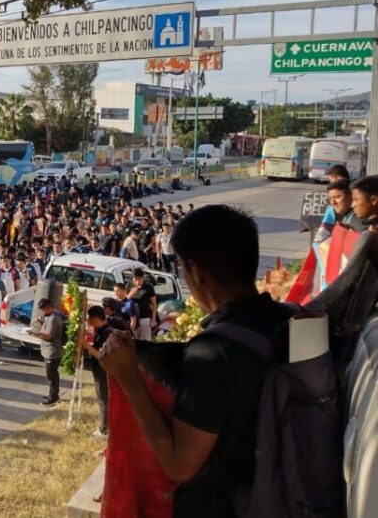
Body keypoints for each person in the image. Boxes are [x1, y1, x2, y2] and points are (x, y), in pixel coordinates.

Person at [99, 204, 296, 517]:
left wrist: (127, 376)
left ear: (198, 272)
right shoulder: (288, 319)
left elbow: (179, 464)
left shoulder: (213, 354)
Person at [82, 305, 128, 438]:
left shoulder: (107, 333)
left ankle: (103, 430)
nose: (88, 321)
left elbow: (101, 354)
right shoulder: (102, 330)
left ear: (96, 318)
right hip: (101, 370)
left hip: (103, 371)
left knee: (103, 399)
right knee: (104, 398)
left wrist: (85, 345)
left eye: (90, 318)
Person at [28, 298, 64, 406]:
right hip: (48, 351)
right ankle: (52, 394)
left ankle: (53, 398)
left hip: (52, 352)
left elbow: (48, 336)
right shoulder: (50, 317)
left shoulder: (54, 318)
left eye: (43, 310)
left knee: (52, 376)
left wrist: (34, 333)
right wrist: (40, 322)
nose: (42, 313)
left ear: (49, 308)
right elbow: (47, 327)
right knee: (52, 375)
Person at [128, 269, 158, 341]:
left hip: (145, 317)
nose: (138, 282)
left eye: (140, 279)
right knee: (133, 340)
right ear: (132, 279)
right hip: (132, 319)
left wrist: (153, 319)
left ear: (143, 278)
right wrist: (131, 294)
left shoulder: (148, 287)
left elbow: (154, 304)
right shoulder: (128, 286)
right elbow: (124, 302)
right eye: (136, 279)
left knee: (146, 340)